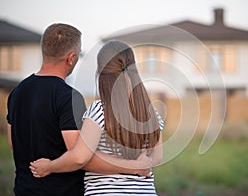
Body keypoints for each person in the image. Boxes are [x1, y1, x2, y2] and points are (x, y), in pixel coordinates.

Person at [7, 24, 152, 196]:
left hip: (23, 190)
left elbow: (13, 143)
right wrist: (134, 167)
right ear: (71, 58)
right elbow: (81, 158)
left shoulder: (17, 92)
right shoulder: (68, 97)